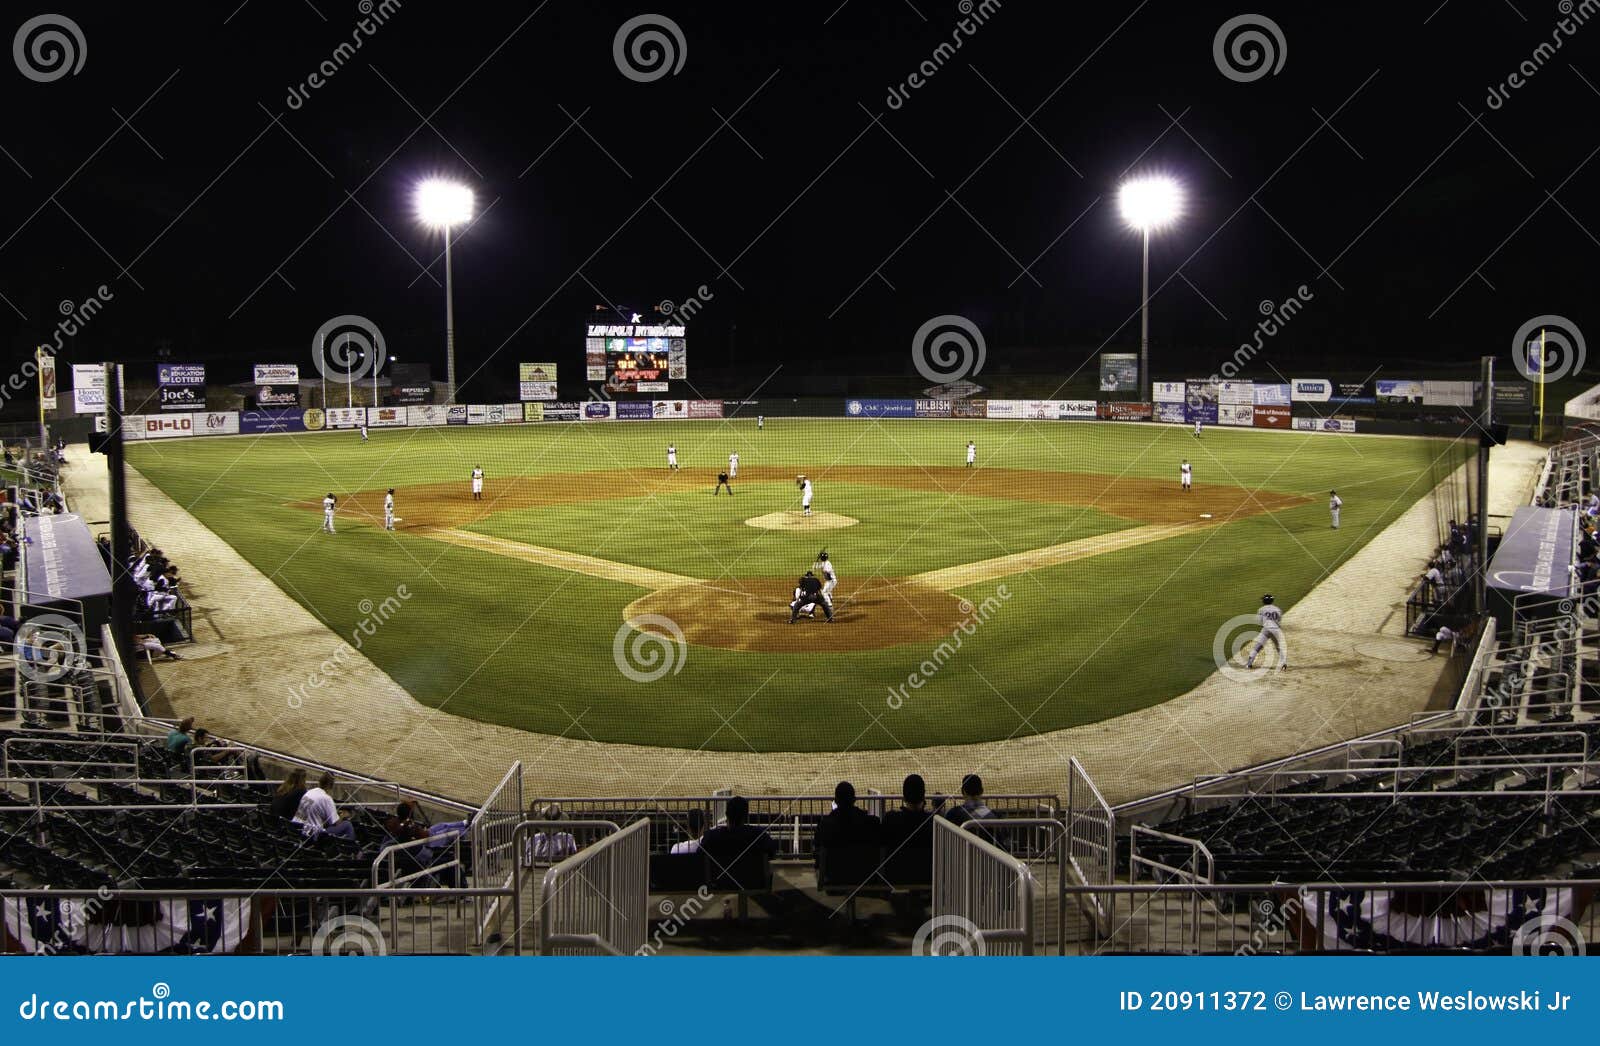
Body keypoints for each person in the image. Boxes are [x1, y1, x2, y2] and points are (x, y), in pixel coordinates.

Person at [699, 796, 777, 869]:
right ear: (746, 816)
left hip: (719, 882)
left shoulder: (711, 836)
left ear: (726, 815)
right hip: (751, 882)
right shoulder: (759, 835)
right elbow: (772, 853)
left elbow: (699, 855)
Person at [814, 781, 879, 868]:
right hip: (863, 873)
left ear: (836, 801)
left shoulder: (824, 825)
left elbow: (817, 851)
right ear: (854, 800)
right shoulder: (871, 822)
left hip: (834, 874)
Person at [293, 772, 357, 840]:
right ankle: (352, 848)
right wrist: (342, 816)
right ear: (331, 786)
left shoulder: (309, 792)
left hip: (296, 828)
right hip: (312, 834)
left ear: (319, 782)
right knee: (347, 825)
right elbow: (335, 823)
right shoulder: (326, 798)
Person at [1244, 593, 1287, 670]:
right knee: (1278, 647)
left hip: (1266, 629)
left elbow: (1259, 621)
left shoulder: (1261, 609)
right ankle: (1284, 664)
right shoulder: (1277, 609)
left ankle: (1249, 664)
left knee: (1257, 647)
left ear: (1264, 601)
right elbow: (1279, 621)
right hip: (1276, 630)